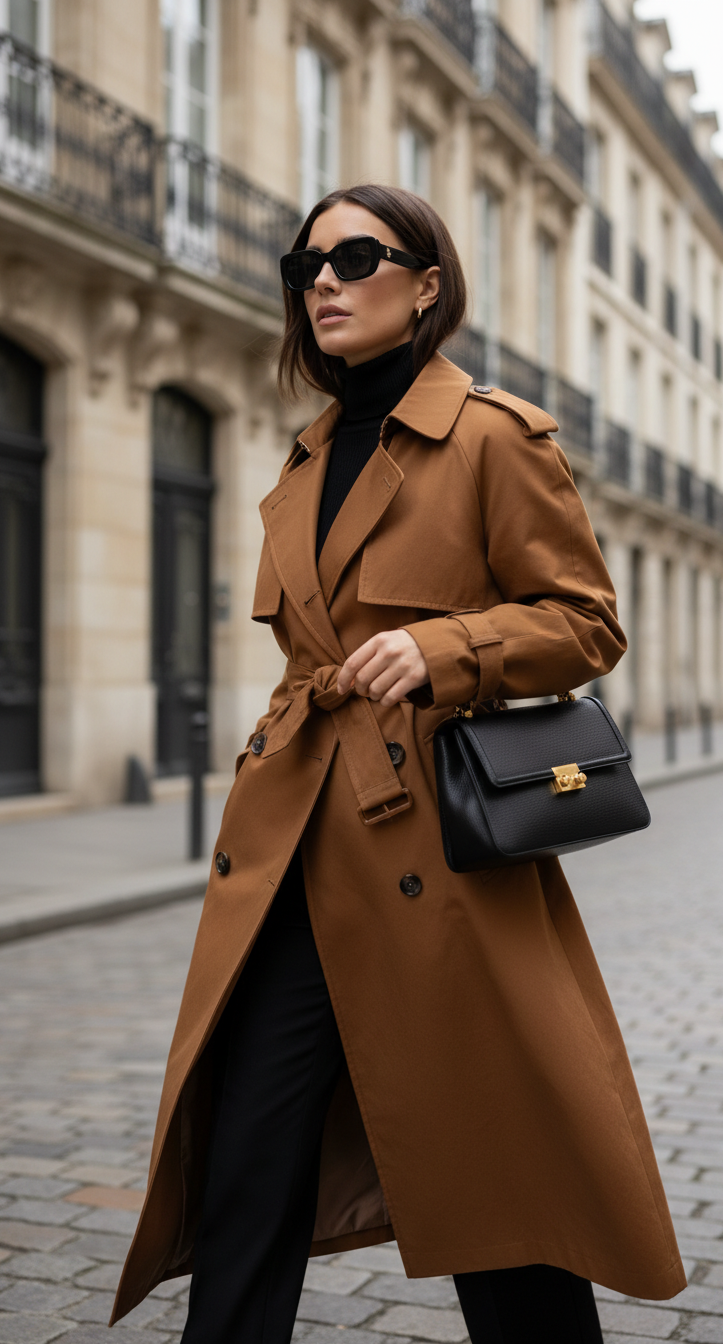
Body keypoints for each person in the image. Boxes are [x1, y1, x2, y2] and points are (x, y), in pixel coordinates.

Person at [112, 184, 685, 1343]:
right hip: (290, 865)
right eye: (304, 262)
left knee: (497, 1186)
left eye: (355, 256)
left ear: (426, 285)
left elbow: (586, 624)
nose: (320, 279)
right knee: (245, 1173)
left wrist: (445, 646)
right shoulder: (306, 456)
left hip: (438, 871)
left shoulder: (490, 436)